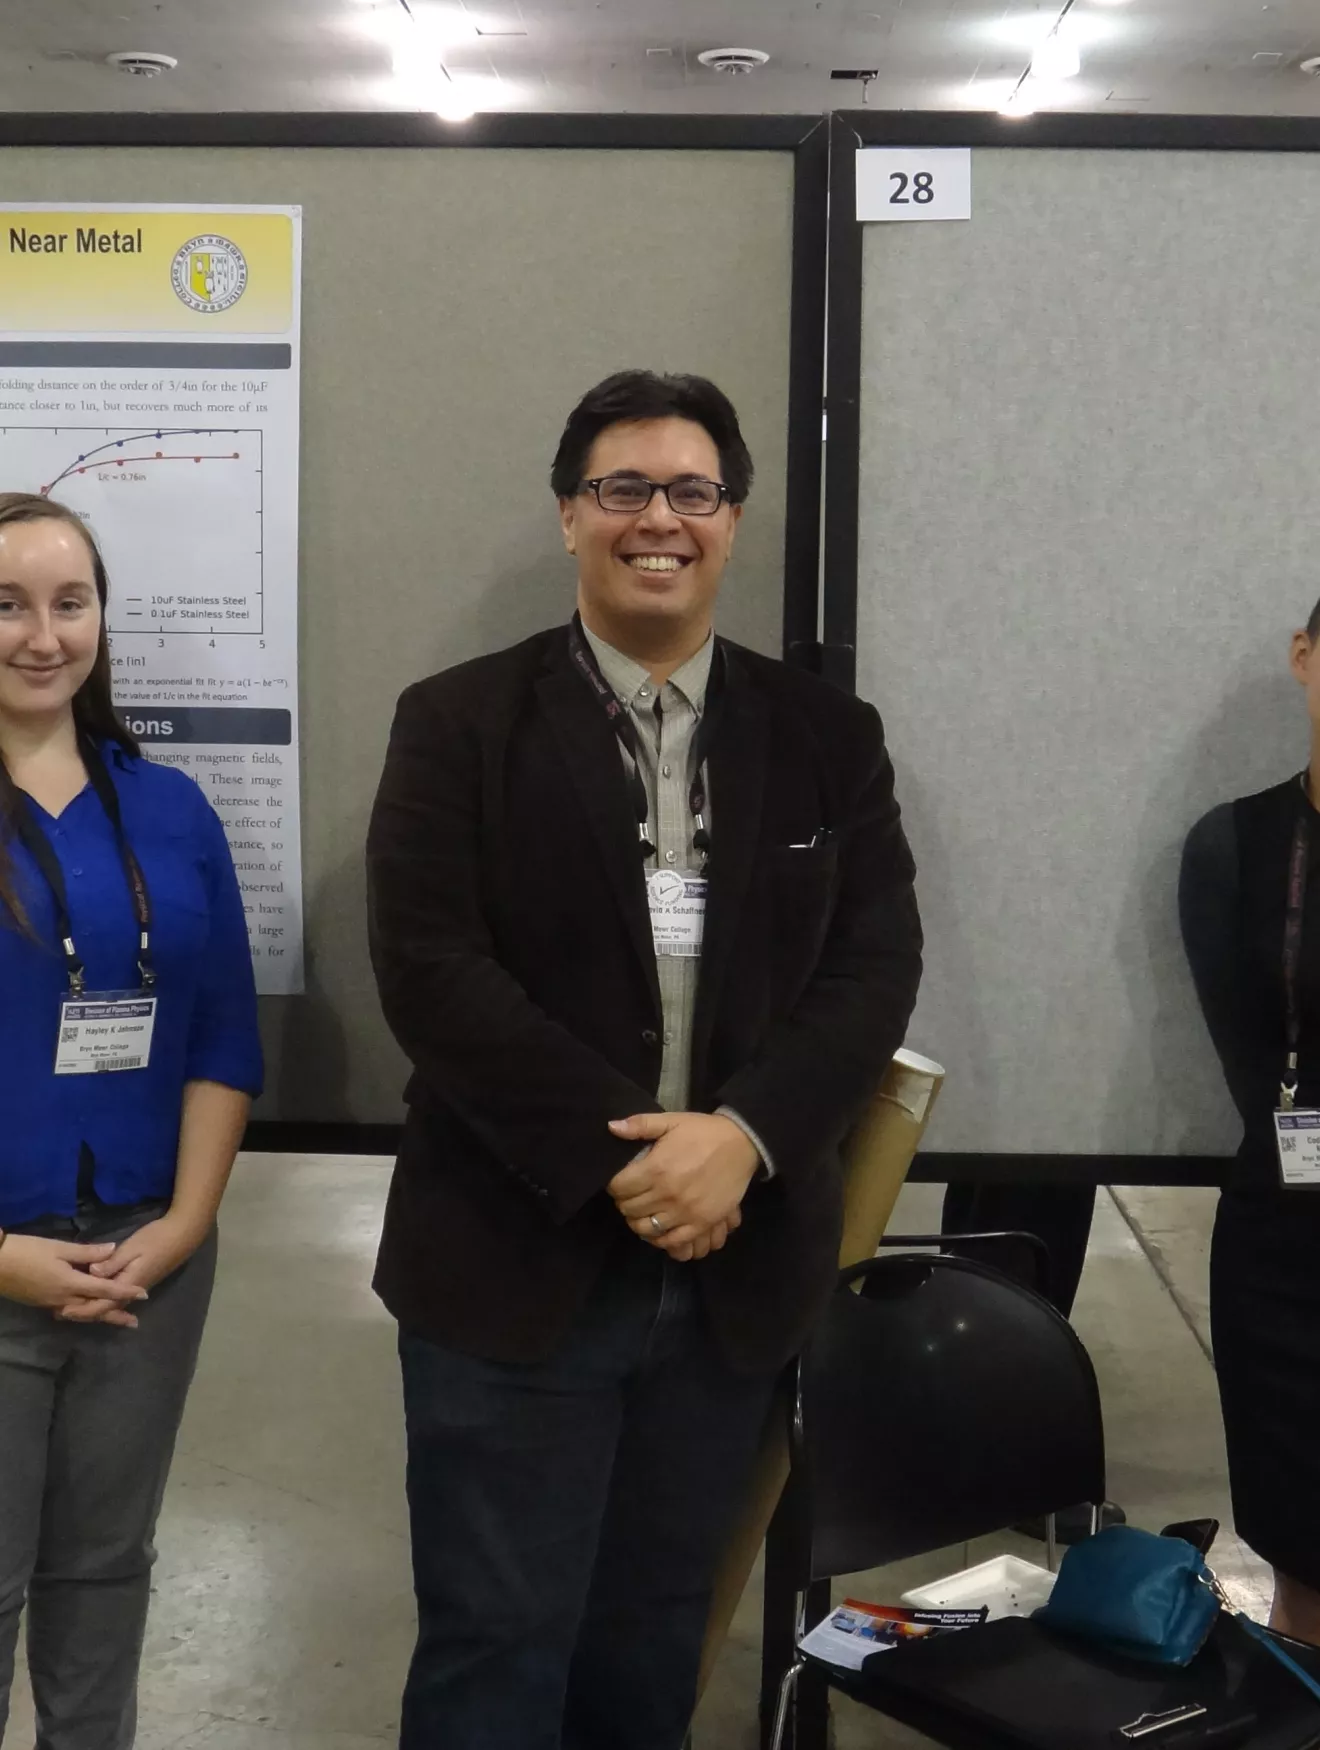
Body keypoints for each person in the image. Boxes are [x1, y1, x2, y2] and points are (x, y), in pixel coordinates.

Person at [366, 369, 923, 1750]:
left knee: (655, 1639)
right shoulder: (457, 722)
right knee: (494, 1647)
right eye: (623, 488)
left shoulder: (826, 737)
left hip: (733, 1272)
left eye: (692, 491)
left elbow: (872, 969)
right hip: (513, 1260)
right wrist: (632, 1156)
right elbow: (431, 969)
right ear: (570, 515)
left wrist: (742, 1138)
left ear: (732, 520)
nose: (657, 518)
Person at [0, 492, 262, 1749]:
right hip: (0, 1265)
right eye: (6, 605)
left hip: (145, 1261)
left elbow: (220, 1033)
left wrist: (185, 1224)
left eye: (71, 601)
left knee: (106, 1572)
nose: (43, 634)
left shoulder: (169, 807)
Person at [1180, 596, 1320, 1648]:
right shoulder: (1235, 842)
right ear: (1305, 657)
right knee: (1304, 1552)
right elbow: (1245, 1051)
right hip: (1285, 1241)